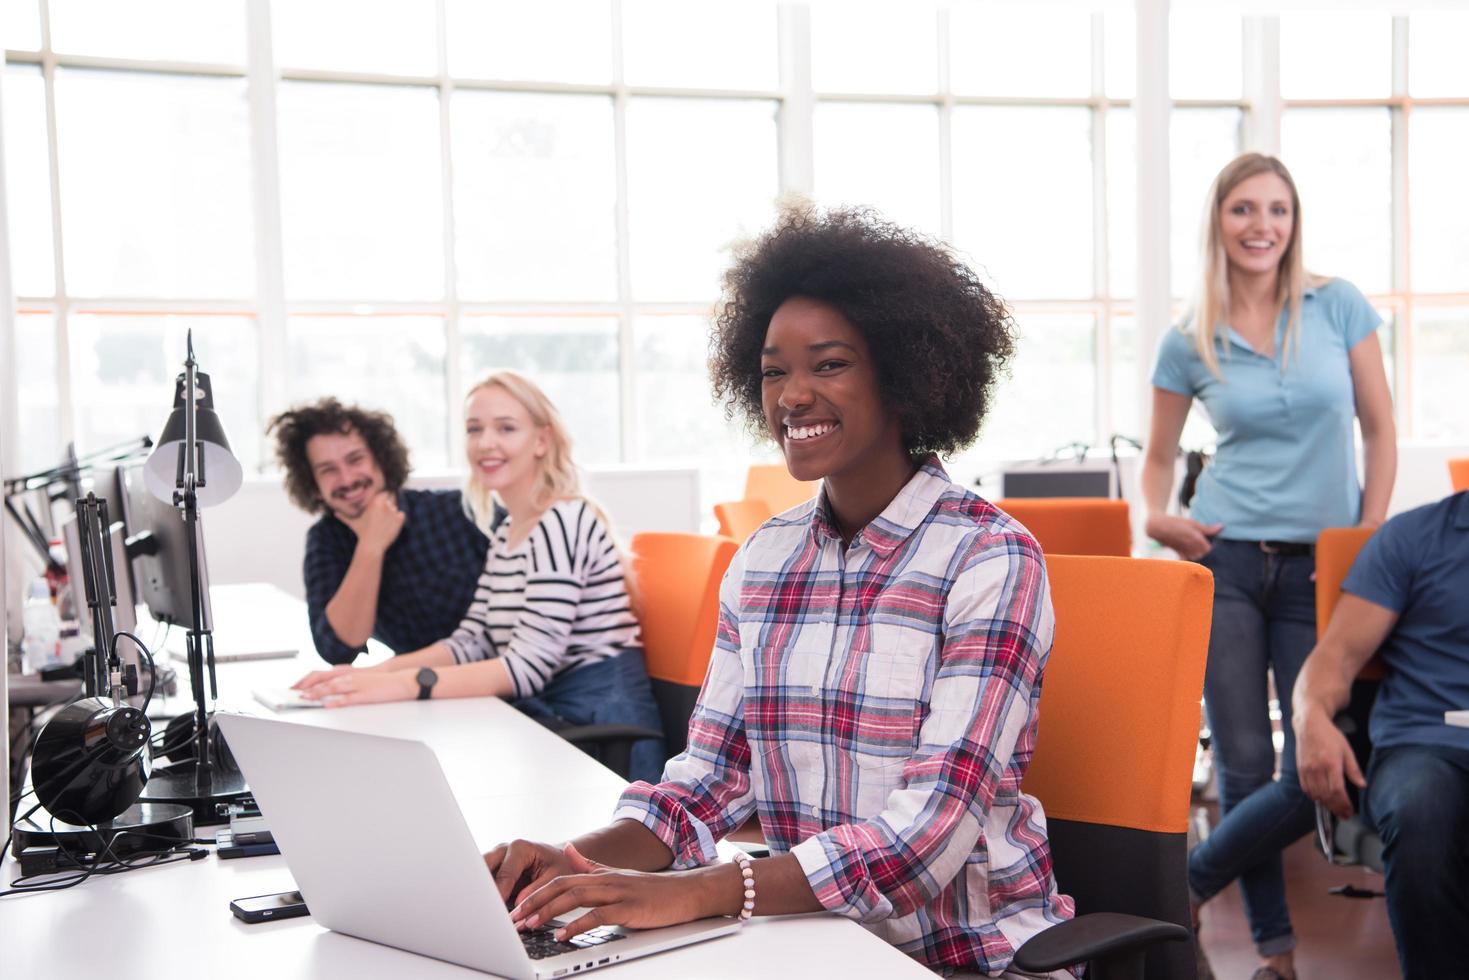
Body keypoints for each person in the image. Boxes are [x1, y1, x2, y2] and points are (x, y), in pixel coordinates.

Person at [480, 208, 1074, 979]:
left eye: (828, 365)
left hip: (961, 956)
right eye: (772, 371)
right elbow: (712, 779)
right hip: (805, 942)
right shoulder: (764, 560)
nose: (792, 395)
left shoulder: (988, 560)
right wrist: (571, 862)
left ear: (905, 373)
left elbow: (925, 838)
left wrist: (699, 893)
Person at [1141, 153, 1397, 980]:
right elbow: (1154, 460)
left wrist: (1365, 537)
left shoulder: (1338, 306)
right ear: (1217, 220)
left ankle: (1187, 883)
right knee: (1244, 762)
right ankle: (1275, 955)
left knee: (1308, 766)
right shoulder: (1187, 338)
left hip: (1322, 564)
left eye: (1277, 210)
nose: (1262, 227)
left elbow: (1379, 431)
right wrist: (1159, 517)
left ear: (1294, 221)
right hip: (1228, 558)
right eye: (1244, 209)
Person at [291, 373, 665, 784]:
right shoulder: (508, 532)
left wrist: (403, 685)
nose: (486, 442)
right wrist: (373, 675)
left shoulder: (563, 520)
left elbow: (526, 667)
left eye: (505, 428)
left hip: (598, 731)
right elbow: (473, 640)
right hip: (555, 720)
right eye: (475, 429)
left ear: (542, 441)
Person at [1294, 490, 1469, 980]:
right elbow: (1336, 656)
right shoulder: (1412, 538)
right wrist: (1309, 716)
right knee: (1421, 808)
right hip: (1427, 744)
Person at [268, 398, 492, 665]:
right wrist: (371, 545)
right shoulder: (326, 540)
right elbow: (337, 649)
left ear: (382, 460)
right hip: (425, 688)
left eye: (355, 460)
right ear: (313, 484)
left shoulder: (460, 509)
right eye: (328, 470)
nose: (347, 479)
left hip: (501, 675)